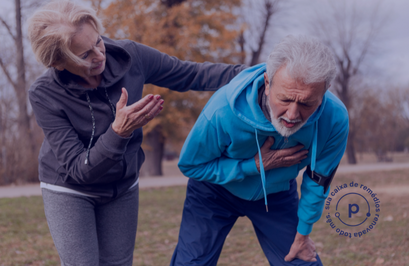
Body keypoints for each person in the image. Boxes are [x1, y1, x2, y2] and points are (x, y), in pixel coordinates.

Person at [27, 1, 245, 265]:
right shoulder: (44, 94)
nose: (99, 55)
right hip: (70, 188)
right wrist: (118, 132)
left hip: (122, 184)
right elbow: (78, 168)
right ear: (57, 62)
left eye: (98, 42)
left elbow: (192, 74)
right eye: (84, 55)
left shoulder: (129, 56)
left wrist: (260, 74)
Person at [170, 35, 349, 266]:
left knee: (301, 261)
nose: (292, 115)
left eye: (306, 103)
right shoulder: (222, 109)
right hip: (213, 192)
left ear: (325, 91)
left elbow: (318, 179)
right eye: (284, 99)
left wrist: (303, 233)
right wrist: (254, 166)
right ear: (267, 83)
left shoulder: (335, 118)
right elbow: (190, 165)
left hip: (276, 194)